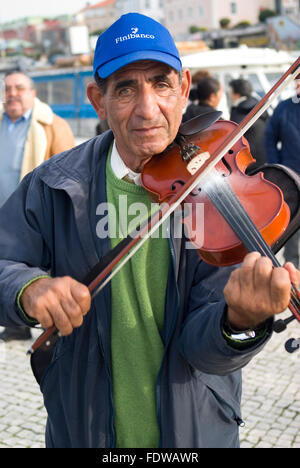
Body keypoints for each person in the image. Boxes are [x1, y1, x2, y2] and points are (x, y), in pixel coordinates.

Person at [0, 13, 298, 449]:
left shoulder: (221, 199)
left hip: (196, 434)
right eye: (125, 88)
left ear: (183, 88)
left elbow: (203, 352)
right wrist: (27, 288)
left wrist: (239, 321)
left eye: (161, 84)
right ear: (97, 101)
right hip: (81, 430)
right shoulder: (53, 185)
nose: (147, 109)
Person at [0, 71, 75, 342]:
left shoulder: (53, 125)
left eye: (19, 88)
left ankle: (53, 326)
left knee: (45, 271)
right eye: (7, 88)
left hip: (36, 216)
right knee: (10, 268)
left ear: (33, 93)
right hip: (3, 214)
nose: (12, 94)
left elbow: (69, 175)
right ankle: (16, 324)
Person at [264, 74, 300, 267]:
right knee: (292, 229)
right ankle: (292, 272)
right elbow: (270, 139)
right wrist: (278, 168)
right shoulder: (284, 108)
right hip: (292, 178)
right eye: (298, 79)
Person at [229, 78, 268, 171]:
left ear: (237, 94)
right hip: (263, 158)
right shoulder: (259, 107)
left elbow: (233, 135)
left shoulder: (239, 111)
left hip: (247, 161)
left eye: (230, 92)